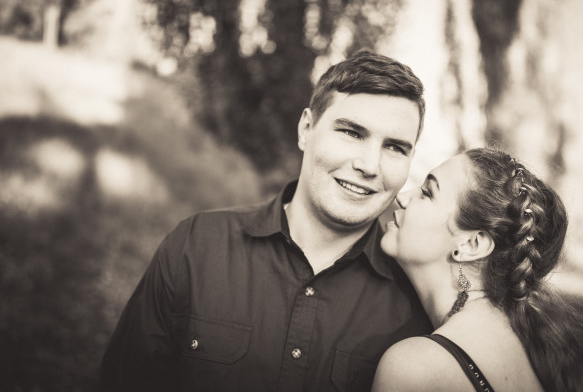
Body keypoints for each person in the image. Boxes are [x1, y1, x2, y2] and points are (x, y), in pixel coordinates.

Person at [99, 50, 433, 392]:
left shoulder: (415, 302)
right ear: (306, 129)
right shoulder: (196, 245)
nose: (370, 165)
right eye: (351, 132)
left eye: (395, 148)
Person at [372, 147, 583, 392]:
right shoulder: (532, 345)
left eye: (427, 193)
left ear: (472, 244)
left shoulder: (415, 369)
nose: (402, 197)